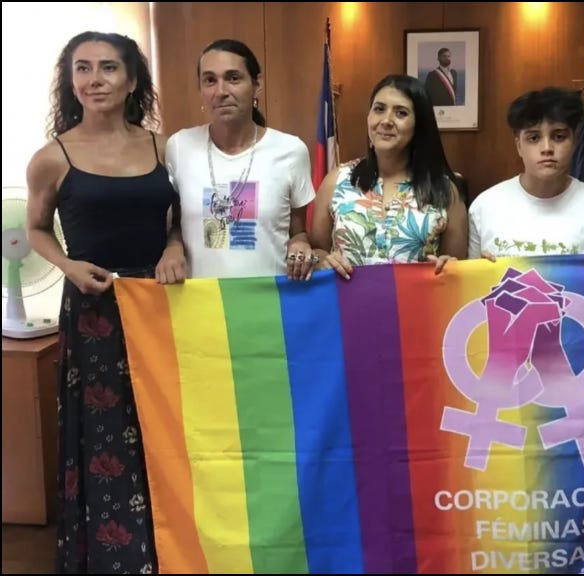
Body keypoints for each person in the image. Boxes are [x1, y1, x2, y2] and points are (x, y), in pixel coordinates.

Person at [25, 31, 186, 573]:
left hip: (161, 304)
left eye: (109, 67)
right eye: (83, 68)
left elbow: (179, 222)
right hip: (94, 308)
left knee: (163, 423)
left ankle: (172, 550)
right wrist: (68, 266)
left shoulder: (164, 148)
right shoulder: (53, 157)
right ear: (70, 81)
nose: (95, 79)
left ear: (132, 80)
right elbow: (35, 229)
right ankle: (114, 556)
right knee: (105, 434)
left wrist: (173, 246)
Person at [166, 39, 316, 281]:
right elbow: (175, 224)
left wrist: (300, 246)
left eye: (233, 78)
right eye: (210, 80)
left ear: (257, 85)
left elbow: (298, 233)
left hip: (269, 297)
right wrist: (172, 248)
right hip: (201, 298)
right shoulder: (179, 146)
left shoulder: (291, 150)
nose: (221, 91)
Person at [310, 74, 467, 278]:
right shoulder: (338, 180)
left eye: (401, 113)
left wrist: (450, 267)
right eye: (379, 109)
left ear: (419, 124)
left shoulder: (444, 190)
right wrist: (322, 260)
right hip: (347, 298)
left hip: (416, 298)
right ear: (368, 117)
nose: (386, 120)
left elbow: (460, 267)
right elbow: (317, 250)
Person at [468, 86, 584, 267]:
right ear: (519, 145)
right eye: (534, 138)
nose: (547, 148)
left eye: (559, 137)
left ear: (574, 142)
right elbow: (469, 279)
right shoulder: (485, 206)